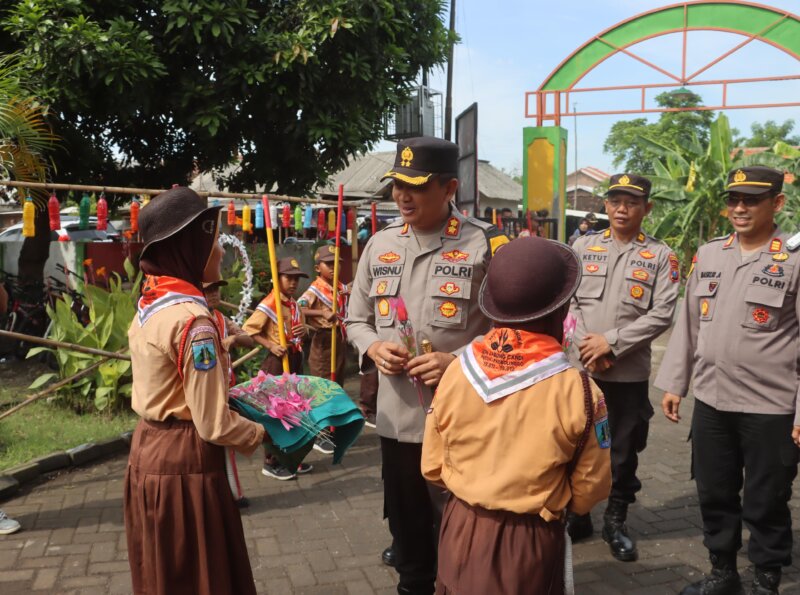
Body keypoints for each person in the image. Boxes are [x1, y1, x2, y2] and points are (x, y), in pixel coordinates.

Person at [346, 136, 509, 595]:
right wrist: (374, 348)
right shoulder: (379, 244)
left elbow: (509, 334)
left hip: (462, 421)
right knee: (408, 531)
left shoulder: (488, 245)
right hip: (397, 422)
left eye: (415, 186)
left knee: (462, 533)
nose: (402, 195)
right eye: (397, 184)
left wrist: (455, 359)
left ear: (450, 187)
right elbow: (355, 319)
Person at [422, 236, 611, 594]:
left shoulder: (457, 371)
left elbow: (432, 466)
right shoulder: (581, 392)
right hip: (529, 540)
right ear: (561, 311)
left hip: (458, 526)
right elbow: (590, 490)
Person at [656, 166, 798, 595]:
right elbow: (688, 324)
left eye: (751, 200)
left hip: (771, 407)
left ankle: (766, 577)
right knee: (713, 490)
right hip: (713, 401)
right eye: (733, 199)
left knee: (766, 498)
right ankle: (723, 572)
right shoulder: (710, 254)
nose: (739, 208)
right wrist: (675, 383)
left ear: (776, 203)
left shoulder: (792, 260)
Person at [124, 186, 264, 595]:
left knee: (162, 573)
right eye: (212, 243)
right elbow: (213, 424)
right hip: (185, 464)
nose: (219, 253)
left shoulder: (151, 304)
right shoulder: (194, 322)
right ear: (191, 247)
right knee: (201, 575)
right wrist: (265, 432)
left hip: (147, 451)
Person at [567, 173, 679, 562]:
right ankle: (578, 514)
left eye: (631, 202)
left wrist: (610, 343)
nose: (621, 208)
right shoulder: (582, 246)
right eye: (615, 200)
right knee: (573, 444)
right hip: (581, 369)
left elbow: (663, 313)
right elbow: (571, 301)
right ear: (605, 204)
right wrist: (587, 345)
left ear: (646, 208)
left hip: (627, 373)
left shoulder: (662, 256)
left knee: (622, 449)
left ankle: (615, 520)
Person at [243, 257, 314, 480]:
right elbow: (250, 330)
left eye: (296, 279)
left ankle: (290, 457)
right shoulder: (270, 303)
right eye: (288, 278)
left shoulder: (293, 304)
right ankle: (271, 461)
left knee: (293, 409)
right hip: (276, 363)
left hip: (294, 359)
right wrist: (271, 345)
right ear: (277, 278)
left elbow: (300, 328)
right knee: (275, 412)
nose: (293, 283)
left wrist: (305, 330)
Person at [203, 279, 255, 508]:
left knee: (228, 444)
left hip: (225, 390)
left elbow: (249, 338)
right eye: (208, 290)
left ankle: (234, 494)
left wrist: (234, 338)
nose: (214, 294)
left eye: (216, 289)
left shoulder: (222, 319)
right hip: (204, 392)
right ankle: (214, 497)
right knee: (207, 446)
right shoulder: (195, 321)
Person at [297, 245, 348, 384]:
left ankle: (336, 405)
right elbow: (299, 308)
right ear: (318, 268)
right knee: (323, 378)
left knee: (338, 378)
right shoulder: (315, 289)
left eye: (336, 263)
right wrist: (321, 313)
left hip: (339, 336)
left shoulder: (340, 287)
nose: (333, 267)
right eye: (329, 264)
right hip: (323, 338)